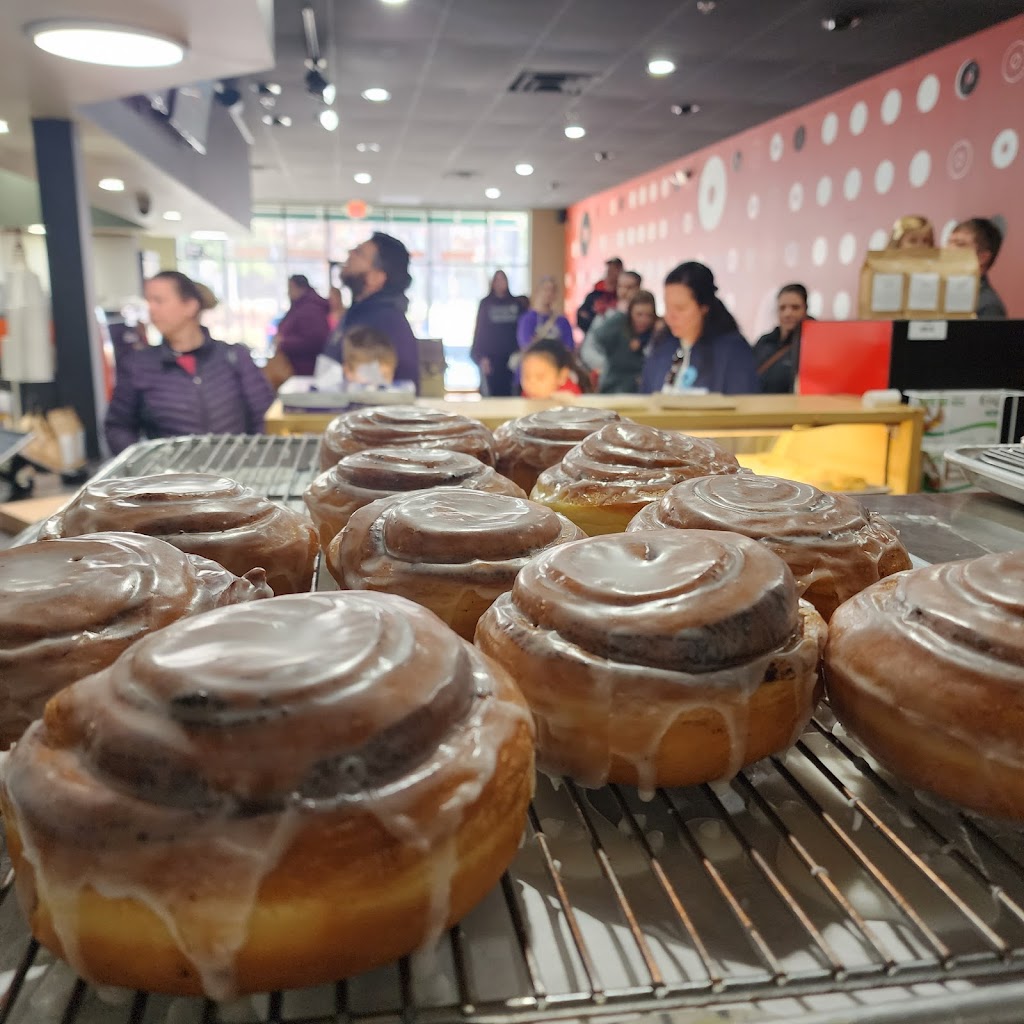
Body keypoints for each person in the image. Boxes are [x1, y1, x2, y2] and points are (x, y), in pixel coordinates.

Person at [104, 271, 274, 455]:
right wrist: (148, 464)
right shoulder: (138, 365)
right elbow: (118, 427)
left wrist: (254, 457)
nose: (151, 309)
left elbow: (264, 416)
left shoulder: (235, 357)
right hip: (174, 479)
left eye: (159, 301)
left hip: (236, 474)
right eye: (149, 301)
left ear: (190, 306)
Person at [640, 262, 760, 395]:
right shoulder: (661, 347)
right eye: (668, 307)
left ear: (704, 307)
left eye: (680, 308)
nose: (670, 317)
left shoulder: (732, 352)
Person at [323, 232, 420, 387]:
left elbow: (369, 393)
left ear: (376, 277)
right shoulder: (362, 313)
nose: (350, 253)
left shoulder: (384, 322)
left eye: (358, 253)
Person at [470, 270, 528, 397]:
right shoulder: (486, 304)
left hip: (512, 360)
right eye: (497, 280)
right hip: (491, 361)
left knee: (513, 397)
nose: (500, 283)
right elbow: (480, 332)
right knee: (491, 398)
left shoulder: (517, 304)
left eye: (503, 279)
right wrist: (481, 357)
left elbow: (523, 331)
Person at [579, 270, 642, 380]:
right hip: (610, 379)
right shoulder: (605, 316)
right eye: (620, 287)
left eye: (629, 287)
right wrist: (609, 366)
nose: (624, 292)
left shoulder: (646, 317)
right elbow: (588, 349)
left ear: (638, 289)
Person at [593, 289, 658, 394]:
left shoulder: (656, 332)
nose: (644, 320)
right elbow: (598, 338)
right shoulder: (618, 325)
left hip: (643, 394)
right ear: (630, 313)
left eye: (649, 315)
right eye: (639, 314)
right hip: (614, 390)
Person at [268, 275, 331, 380]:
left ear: (298, 287)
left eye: (290, 288)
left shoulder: (310, 309)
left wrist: (284, 342)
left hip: (305, 371)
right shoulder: (300, 307)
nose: (288, 292)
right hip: (296, 368)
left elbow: (315, 340)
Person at [752, 284, 811, 394]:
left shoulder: (814, 345)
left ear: (805, 309)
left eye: (795, 308)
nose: (787, 313)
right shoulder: (764, 342)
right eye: (782, 308)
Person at [946, 217, 1008, 320]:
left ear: (982, 257)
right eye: (949, 243)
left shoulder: (989, 306)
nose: (948, 250)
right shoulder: (939, 296)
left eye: (960, 244)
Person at [519, 338, 591, 399]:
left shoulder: (570, 396)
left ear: (562, 376)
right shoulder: (528, 394)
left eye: (540, 377)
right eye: (526, 376)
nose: (532, 384)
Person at [517, 276, 574, 353]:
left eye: (552, 290)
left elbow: (569, 347)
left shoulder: (562, 321)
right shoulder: (527, 319)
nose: (549, 293)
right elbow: (526, 346)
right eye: (545, 289)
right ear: (538, 291)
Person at [575, 257, 623, 334]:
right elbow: (582, 315)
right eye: (610, 270)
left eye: (616, 269)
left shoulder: (622, 298)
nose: (613, 273)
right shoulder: (594, 295)